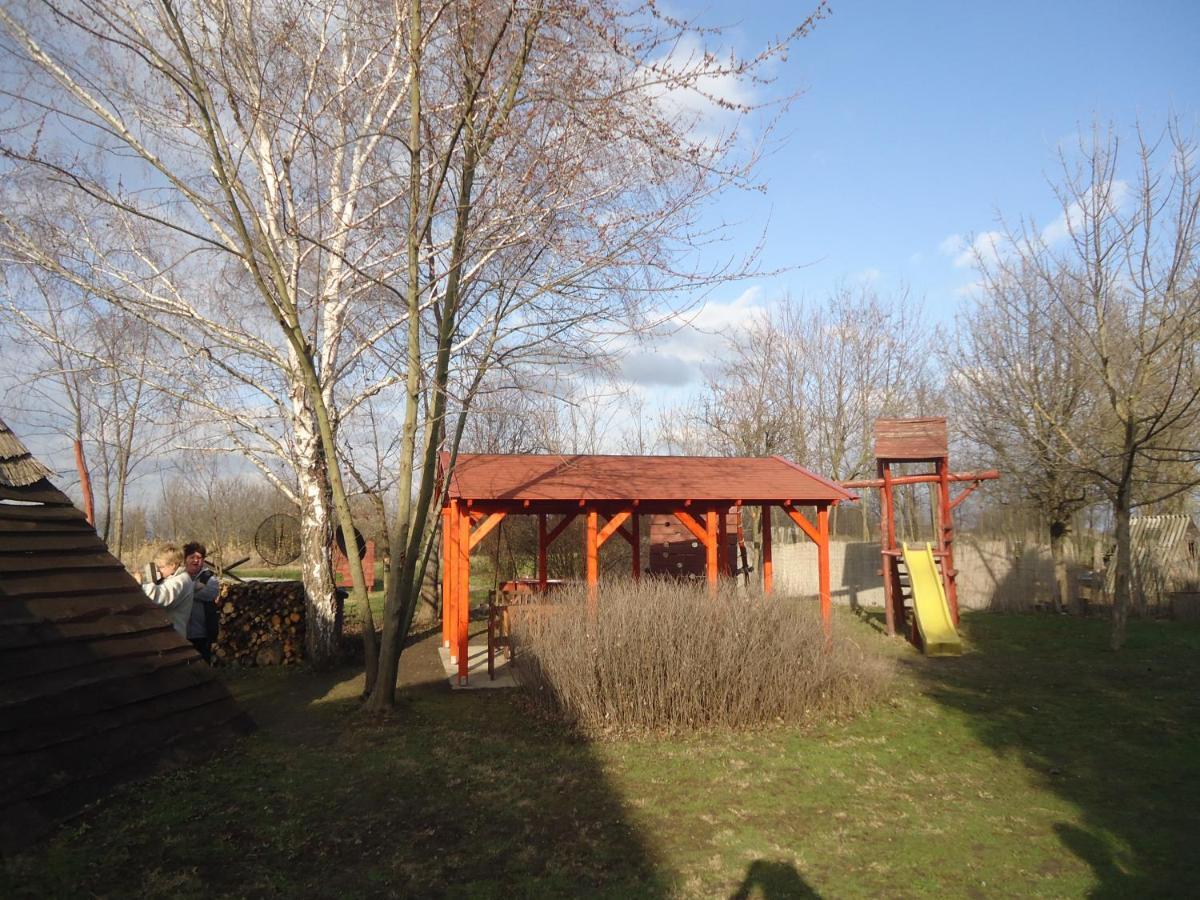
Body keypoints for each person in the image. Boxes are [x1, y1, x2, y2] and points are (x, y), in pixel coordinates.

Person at [139, 543, 194, 638]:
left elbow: (161, 597)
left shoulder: (181, 580)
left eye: (161, 567)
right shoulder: (172, 578)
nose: (159, 571)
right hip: (168, 634)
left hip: (174, 636)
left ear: (173, 565)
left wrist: (139, 585)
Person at [184, 541, 221, 663]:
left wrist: (184, 591)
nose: (195, 561)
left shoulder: (209, 577)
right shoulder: (179, 576)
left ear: (203, 560)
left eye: (199, 558)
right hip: (182, 632)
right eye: (192, 557)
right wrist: (195, 588)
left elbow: (210, 593)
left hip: (202, 633)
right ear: (185, 560)